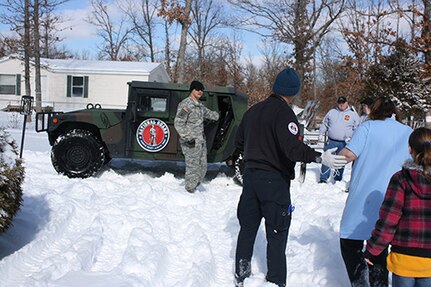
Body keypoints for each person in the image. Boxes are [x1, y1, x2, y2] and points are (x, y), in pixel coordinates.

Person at [234, 67, 347, 287]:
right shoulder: (284, 114)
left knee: (247, 228)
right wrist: (318, 157)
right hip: (273, 182)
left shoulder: (253, 111)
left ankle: (241, 273)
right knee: (277, 232)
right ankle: (276, 281)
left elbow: (238, 143)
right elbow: (292, 149)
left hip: (250, 178)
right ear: (292, 92)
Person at [337, 96, 413, 287]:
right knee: (381, 245)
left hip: (364, 195)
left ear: (374, 110)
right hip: (395, 198)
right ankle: (379, 283)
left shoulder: (367, 128)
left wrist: (330, 158)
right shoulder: (408, 132)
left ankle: (360, 282)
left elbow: (348, 155)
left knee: (350, 241)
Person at [365, 127, 431, 287]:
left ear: (410, 149)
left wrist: (372, 249)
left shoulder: (400, 179)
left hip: (404, 259)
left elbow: (389, 220)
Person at [174, 80, 219, 193]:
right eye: (197, 89)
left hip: (200, 142)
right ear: (192, 90)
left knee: (203, 167)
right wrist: (188, 137)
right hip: (191, 142)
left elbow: (210, 114)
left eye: (201, 90)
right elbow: (178, 123)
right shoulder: (186, 105)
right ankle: (189, 190)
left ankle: (194, 186)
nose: (200, 91)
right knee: (193, 168)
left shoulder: (199, 106)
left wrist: (219, 115)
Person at [318, 96, 360, 183]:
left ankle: (337, 178)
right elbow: (325, 123)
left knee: (341, 160)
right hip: (331, 140)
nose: (341, 105)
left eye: (343, 103)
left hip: (344, 142)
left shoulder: (353, 114)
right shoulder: (332, 112)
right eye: (340, 103)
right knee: (327, 158)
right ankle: (323, 178)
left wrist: (353, 137)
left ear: (346, 103)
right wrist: (321, 133)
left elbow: (358, 128)